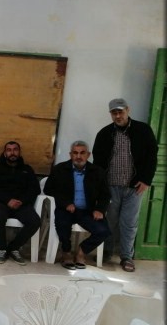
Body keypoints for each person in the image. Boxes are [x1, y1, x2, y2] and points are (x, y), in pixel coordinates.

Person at [92, 98, 158, 273]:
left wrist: (146, 180)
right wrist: (100, 185)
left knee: (129, 223)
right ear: (110, 114)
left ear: (128, 110)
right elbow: (98, 162)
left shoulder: (143, 130)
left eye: (120, 112)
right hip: (111, 186)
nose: (118, 116)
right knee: (110, 221)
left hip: (134, 187)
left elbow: (152, 157)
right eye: (114, 113)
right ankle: (106, 252)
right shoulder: (104, 134)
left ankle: (127, 257)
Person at [44, 141, 111, 270]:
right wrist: (65, 203)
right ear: (70, 154)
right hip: (66, 209)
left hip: (87, 211)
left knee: (103, 231)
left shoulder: (97, 171)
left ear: (88, 155)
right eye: (75, 153)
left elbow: (105, 194)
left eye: (82, 153)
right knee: (62, 224)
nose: (78, 156)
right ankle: (66, 252)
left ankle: (81, 252)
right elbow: (49, 189)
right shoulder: (59, 169)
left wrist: (100, 209)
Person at [0, 141, 41, 265]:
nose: (12, 152)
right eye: (9, 150)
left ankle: (13, 248)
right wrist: (7, 200)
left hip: (21, 204)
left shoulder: (27, 169)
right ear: (5, 153)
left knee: (35, 221)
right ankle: (2, 249)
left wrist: (22, 201)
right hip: (1, 202)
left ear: (19, 152)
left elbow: (35, 189)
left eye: (15, 149)